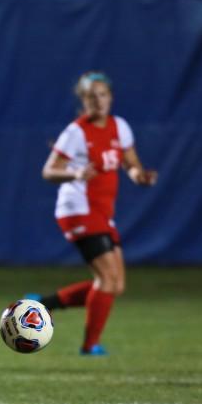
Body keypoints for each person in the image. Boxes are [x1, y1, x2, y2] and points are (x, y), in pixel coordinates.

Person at [27, 71, 157, 356]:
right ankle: (90, 345)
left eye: (102, 94)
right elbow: (48, 171)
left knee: (115, 285)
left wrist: (139, 176)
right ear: (83, 101)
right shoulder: (76, 132)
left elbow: (130, 163)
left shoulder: (119, 127)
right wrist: (75, 172)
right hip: (78, 209)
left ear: (110, 97)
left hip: (101, 212)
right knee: (107, 280)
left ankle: (45, 303)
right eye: (90, 96)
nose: (97, 101)